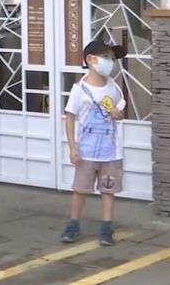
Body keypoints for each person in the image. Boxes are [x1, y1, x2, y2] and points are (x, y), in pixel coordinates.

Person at [60, 40, 128, 247]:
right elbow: (70, 117)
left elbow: (120, 111)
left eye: (112, 58)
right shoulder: (79, 89)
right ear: (90, 60)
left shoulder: (114, 87)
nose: (110, 62)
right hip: (87, 151)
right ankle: (73, 225)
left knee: (108, 190)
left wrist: (119, 114)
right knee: (80, 190)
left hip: (110, 151)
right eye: (106, 57)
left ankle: (106, 227)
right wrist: (72, 148)